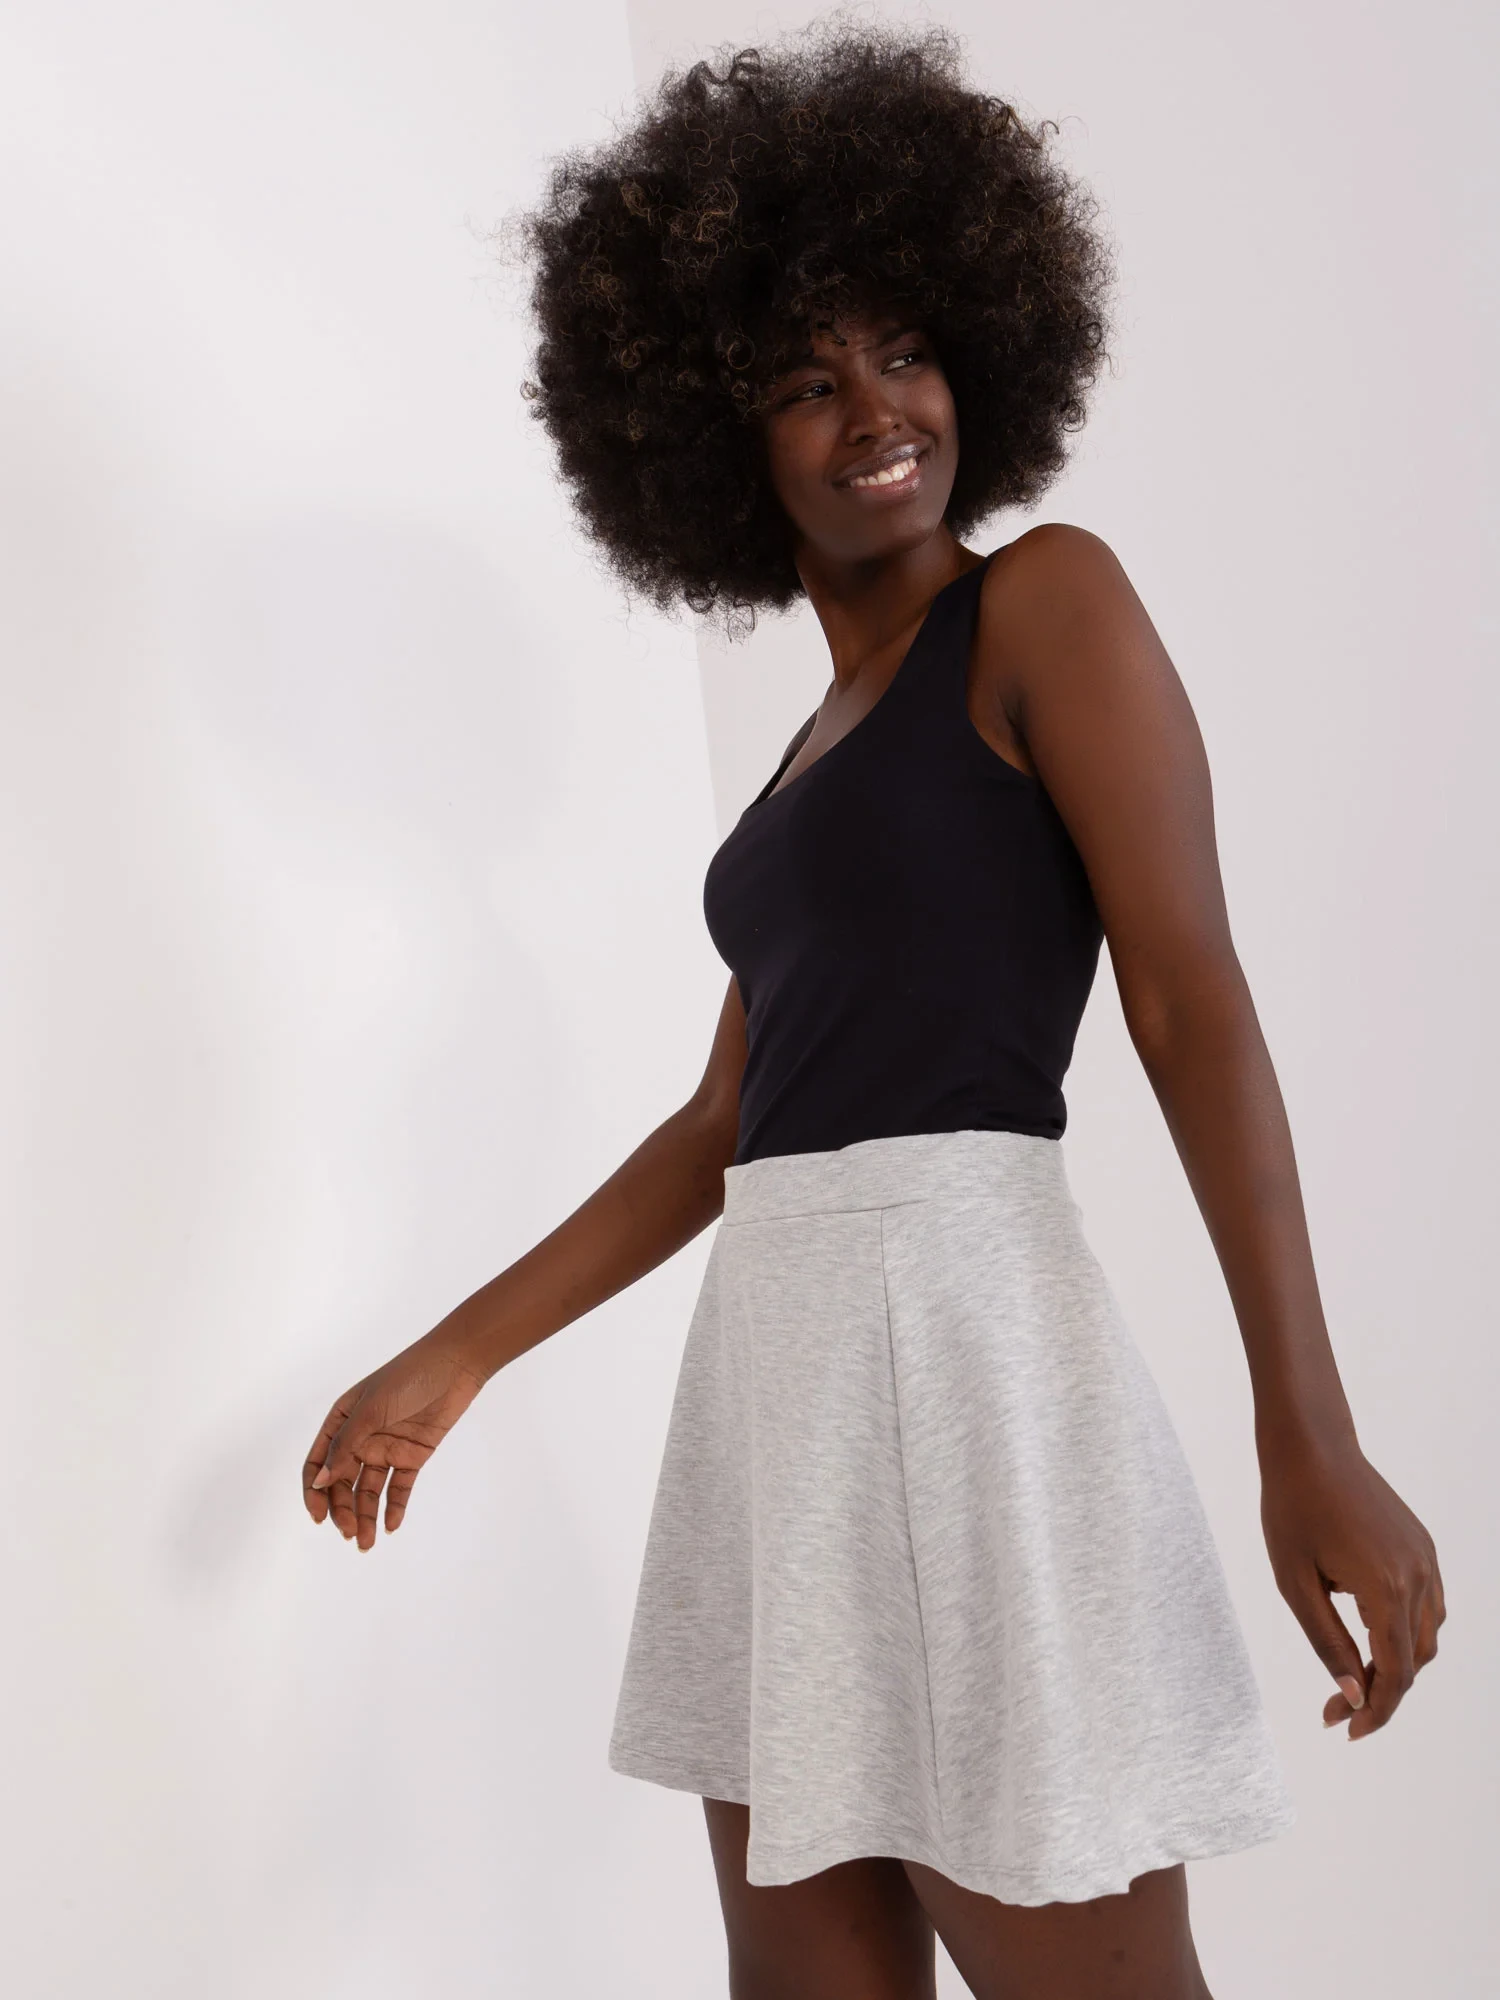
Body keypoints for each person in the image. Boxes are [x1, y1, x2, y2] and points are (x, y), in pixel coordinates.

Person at [301, 22, 1444, 1997]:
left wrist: (1306, 1428)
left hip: (972, 1351)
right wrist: (451, 1358)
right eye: (804, 383)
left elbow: (1190, 999)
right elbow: (721, 1130)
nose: (875, 411)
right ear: (711, 445)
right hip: (780, 1384)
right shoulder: (802, 762)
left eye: (904, 352)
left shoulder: (1047, 604)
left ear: (983, 356)